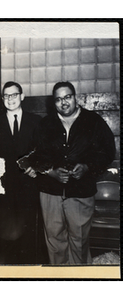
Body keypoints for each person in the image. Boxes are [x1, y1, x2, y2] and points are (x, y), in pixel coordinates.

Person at [24, 81, 116, 264]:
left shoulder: (93, 121)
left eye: (67, 97)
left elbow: (107, 152)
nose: (63, 102)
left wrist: (87, 167)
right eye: (58, 99)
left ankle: (80, 282)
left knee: (79, 242)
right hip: (50, 191)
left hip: (81, 191)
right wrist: (50, 171)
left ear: (75, 97)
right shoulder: (45, 124)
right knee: (54, 241)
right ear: (54, 103)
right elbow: (33, 155)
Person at [0, 81, 41, 264]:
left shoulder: (36, 121)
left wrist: (37, 168)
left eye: (14, 95)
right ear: (2, 99)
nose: (10, 99)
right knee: (7, 235)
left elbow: (44, 152)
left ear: (22, 96)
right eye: (6, 96)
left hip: (29, 187)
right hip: (5, 189)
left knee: (28, 235)